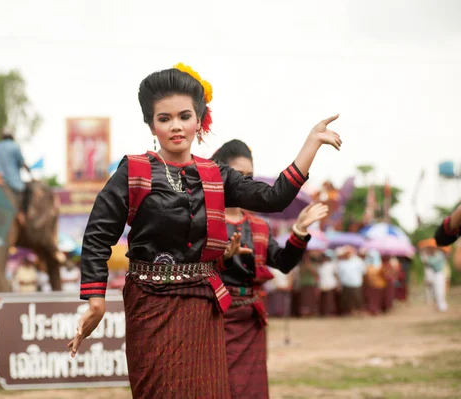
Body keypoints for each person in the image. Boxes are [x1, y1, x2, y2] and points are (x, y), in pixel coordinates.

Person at [69, 64, 342, 397]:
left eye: (185, 116)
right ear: (151, 124)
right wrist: (96, 301)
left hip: (203, 306)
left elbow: (273, 197)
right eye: (164, 118)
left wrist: (310, 144)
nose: (176, 126)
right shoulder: (135, 170)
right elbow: (98, 235)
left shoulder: (217, 174)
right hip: (151, 307)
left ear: (199, 120)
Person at [211, 139, 328, 398]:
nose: (243, 183)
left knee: (251, 389)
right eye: (237, 175)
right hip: (212, 319)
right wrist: (224, 258)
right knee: (216, 387)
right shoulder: (203, 221)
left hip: (250, 320)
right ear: (218, 173)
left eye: (249, 177)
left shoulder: (258, 226)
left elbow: (284, 262)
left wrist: (299, 229)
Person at [0, 129, 32, 226]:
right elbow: (22, 162)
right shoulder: (15, 146)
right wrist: (29, 171)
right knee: (28, 191)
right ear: (12, 137)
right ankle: (22, 212)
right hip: (13, 181)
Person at [419, 240, 449, 312]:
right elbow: (426, 262)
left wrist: (426, 257)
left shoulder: (439, 255)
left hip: (440, 274)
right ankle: (440, 305)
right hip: (435, 274)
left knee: (440, 290)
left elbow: (431, 263)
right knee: (436, 291)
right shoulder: (432, 255)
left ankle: (442, 306)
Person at [336, 246, 366, 316]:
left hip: (356, 283)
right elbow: (338, 274)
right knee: (346, 299)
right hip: (345, 284)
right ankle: (348, 312)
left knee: (357, 298)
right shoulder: (341, 262)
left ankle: (358, 311)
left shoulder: (358, 261)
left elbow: (363, 272)